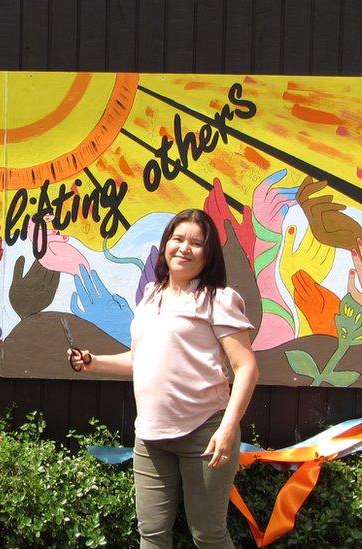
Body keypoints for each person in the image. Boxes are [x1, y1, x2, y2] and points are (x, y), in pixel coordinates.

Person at [68, 208, 258, 548]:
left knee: (209, 536)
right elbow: (142, 360)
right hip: (151, 437)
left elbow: (246, 368)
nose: (184, 248)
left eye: (196, 243)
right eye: (177, 239)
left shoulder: (218, 299)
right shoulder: (151, 296)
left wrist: (228, 429)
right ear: (165, 245)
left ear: (208, 254)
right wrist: (93, 362)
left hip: (205, 433)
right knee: (152, 535)